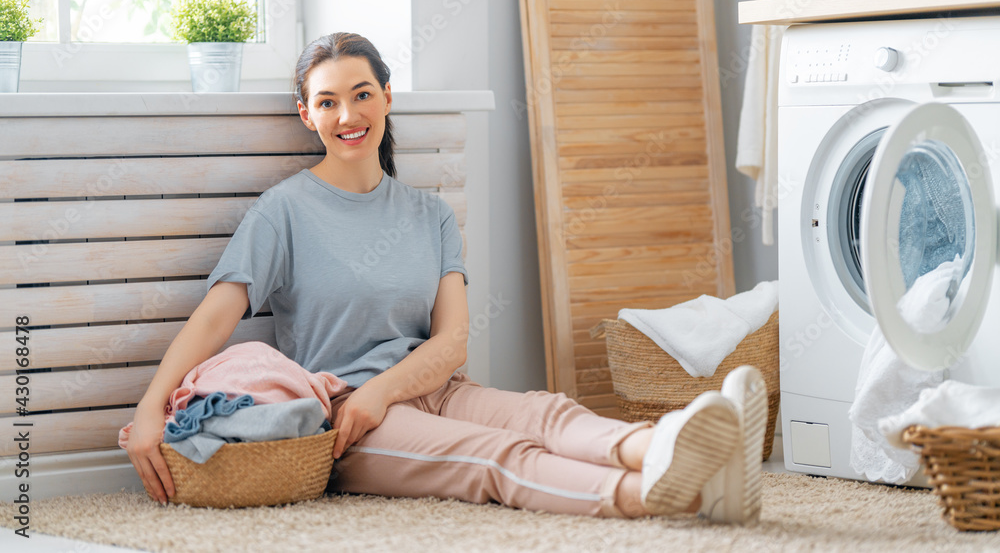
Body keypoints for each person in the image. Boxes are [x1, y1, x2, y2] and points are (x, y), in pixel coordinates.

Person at [125, 32, 767, 523]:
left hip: (436, 387)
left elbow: (452, 340)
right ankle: (660, 495)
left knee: (542, 413)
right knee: (495, 458)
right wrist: (152, 407)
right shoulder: (282, 212)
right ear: (307, 115)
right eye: (328, 101)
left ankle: (677, 447)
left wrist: (391, 390)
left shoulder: (429, 213)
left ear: (386, 99)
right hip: (351, 419)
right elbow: (217, 314)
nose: (347, 113)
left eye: (361, 93)